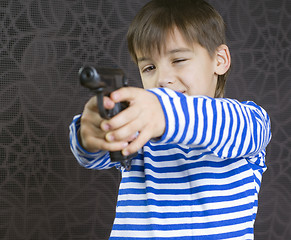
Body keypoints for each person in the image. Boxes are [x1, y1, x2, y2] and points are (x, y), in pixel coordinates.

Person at [69, 0, 272, 239]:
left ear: (219, 60)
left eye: (178, 60)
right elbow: (93, 157)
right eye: (149, 67)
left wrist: (162, 111)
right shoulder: (139, 131)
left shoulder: (248, 119)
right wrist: (92, 132)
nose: (163, 78)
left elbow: (233, 126)